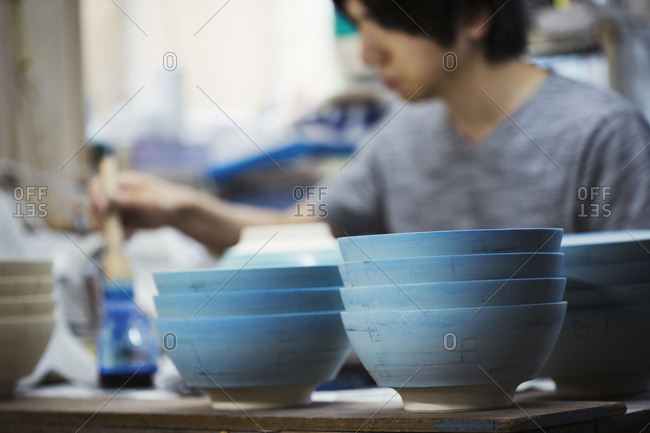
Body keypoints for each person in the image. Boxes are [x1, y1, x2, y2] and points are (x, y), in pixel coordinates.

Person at [89, 0, 650, 254]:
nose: (368, 50)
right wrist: (178, 211)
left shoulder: (602, 134)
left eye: (384, 20)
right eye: (357, 23)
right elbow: (289, 240)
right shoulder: (399, 136)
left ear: (476, 13)